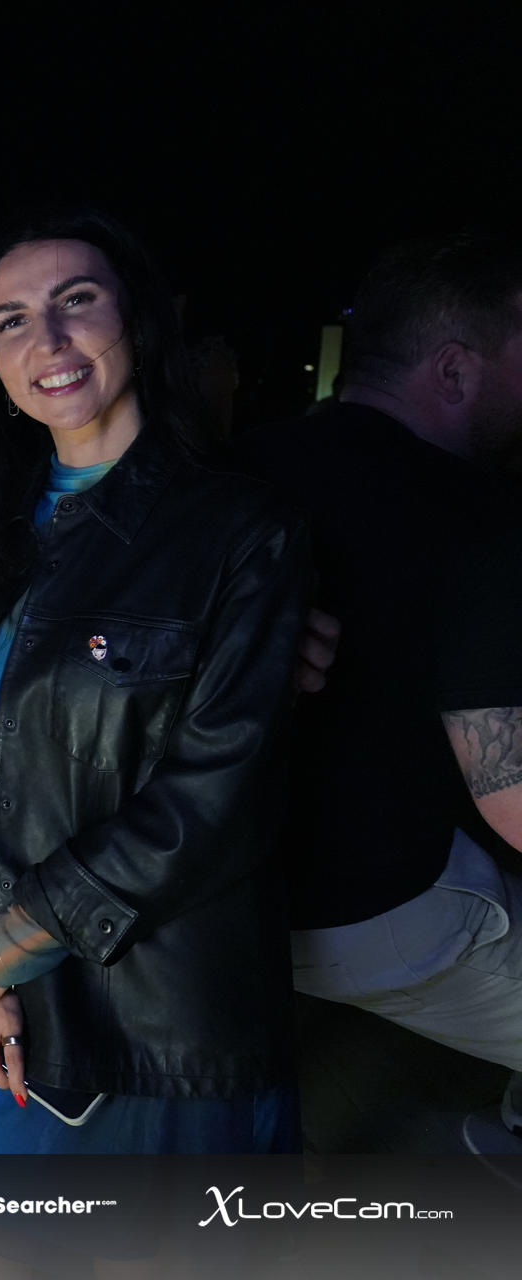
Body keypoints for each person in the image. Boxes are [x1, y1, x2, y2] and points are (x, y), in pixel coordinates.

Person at [0, 212, 310, 1164]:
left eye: (76, 301)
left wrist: (6, 945)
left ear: (138, 320)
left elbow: (216, 795)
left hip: (157, 1015)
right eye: (11, 320)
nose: (47, 339)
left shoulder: (239, 529)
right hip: (2, 1001)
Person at [236, 234, 522, 1151]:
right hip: (380, 912)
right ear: (455, 368)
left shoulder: (232, 469)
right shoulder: (479, 518)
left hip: (223, 903)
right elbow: (512, 797)